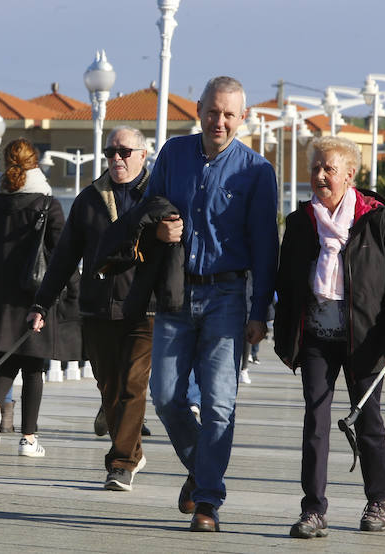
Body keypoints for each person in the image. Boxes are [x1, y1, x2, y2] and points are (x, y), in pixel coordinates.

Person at [146, 76, 279, 532]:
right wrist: (159, 227)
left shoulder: (257, 171)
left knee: (220, 404)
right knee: (165, 395)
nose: (219, 121)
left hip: (227, 296)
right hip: (176, 291)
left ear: (242, 118)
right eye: (212, 111)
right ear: (198, 109)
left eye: (229, 114)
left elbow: (266, 248)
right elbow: (149, 207)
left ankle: (207, 500)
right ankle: (201, 469)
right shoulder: (172, 154)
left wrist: (261, 311)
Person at [273, 136, 385, 538]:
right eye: (315, 167)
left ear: (350, 175)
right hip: (317, 335)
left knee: (368, 421)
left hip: (365, 338)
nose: (319, 175)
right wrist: (287, 341)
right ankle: (313, 509)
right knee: (315, 422)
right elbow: (286, 283)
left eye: (328, 169)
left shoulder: (376, 219)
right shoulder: (300, 222)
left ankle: (378, 498)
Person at [29, 126, 154, 490]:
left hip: (144, 309)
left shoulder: (158, 197)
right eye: (110, 152)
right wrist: (41, 303)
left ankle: (121, 463)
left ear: (143, 155)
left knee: (133, 384)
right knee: (110, 389)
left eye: (124, 152)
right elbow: (64, 256)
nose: (116, 158)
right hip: (98, 308)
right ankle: (132, 450)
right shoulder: (89, 199)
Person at [0, 138, 73, 457]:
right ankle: (29, 439)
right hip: (35, 298)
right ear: (36, 164)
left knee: (2, 360)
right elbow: (63, 254)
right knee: (32, 369)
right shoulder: (47, 204)